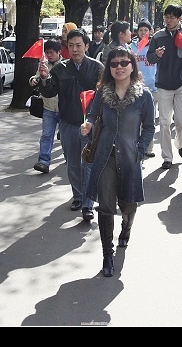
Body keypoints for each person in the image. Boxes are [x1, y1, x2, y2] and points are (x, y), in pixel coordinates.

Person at [80, 48, 155, 277]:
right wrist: (89, 125)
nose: (119, 67)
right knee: (105, 207)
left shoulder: (144, 96)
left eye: (124, 62)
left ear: (132, 65)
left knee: (129, 204)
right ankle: (107, 254)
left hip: (130, 157)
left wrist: (140, 150)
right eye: (114, 64)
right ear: (109, 68)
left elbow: (150, 126)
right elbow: (92, 114)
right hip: (105, 157)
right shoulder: (102, 93)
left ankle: (127, 226)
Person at [38, 28, 104, 220]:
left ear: (87, 46)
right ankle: (77, 195)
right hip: (67, 122)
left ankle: (88, 203)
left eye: (79, 45)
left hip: (90, 124)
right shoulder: (60, 68)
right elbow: (50, 92)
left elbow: (103, 95)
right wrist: (44, 77)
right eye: (71, 45)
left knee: (88, 163)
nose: (75, 49)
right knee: (73, 163)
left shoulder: (97, 68)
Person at [146, 5, 182, 169]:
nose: (168, 20)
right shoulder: (158, 36)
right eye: (166, 17)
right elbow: (150, 57)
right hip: (163, 85)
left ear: (179, 19)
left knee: (181, 121)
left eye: (171, 17)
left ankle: (180, 143)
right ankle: (167, 157)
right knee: (164, 122)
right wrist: (157, 55)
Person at [30, 39, 62, 174]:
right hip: (48, 107)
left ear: (59, 52)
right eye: (46, 52)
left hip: (63, 108)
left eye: (51, 53)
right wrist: (33, 80)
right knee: (46, 135)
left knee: (66, 137)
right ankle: (43, 161)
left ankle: (70, 158)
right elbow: (36, 77)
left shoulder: (65, 66)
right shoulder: (43, 64)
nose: (48, 55)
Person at [131, 20, 158, 157]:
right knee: (137, 119)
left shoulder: (155, 46)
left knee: (150, 120)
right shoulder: (132, 46)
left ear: (150, 32)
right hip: (137, 88)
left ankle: (149, 148)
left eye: (146, 30)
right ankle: (136, 146)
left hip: (154, 88)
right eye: (141, 30)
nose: (143, 33)